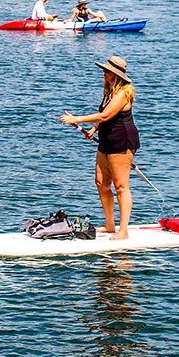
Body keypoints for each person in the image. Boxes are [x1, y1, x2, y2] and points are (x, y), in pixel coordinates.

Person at [60, 56, 140, 240]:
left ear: (116, 74)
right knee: (101, 183)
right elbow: (104, 117)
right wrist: (93, 129)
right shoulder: (110, 91)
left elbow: (105, 116)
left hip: (122, 140)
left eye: (107, 71)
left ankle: (123, 231)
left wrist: (76, 119)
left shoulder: (123, 93)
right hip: (106, 139)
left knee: (121, 186)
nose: (104, 73)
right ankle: (110, 224)